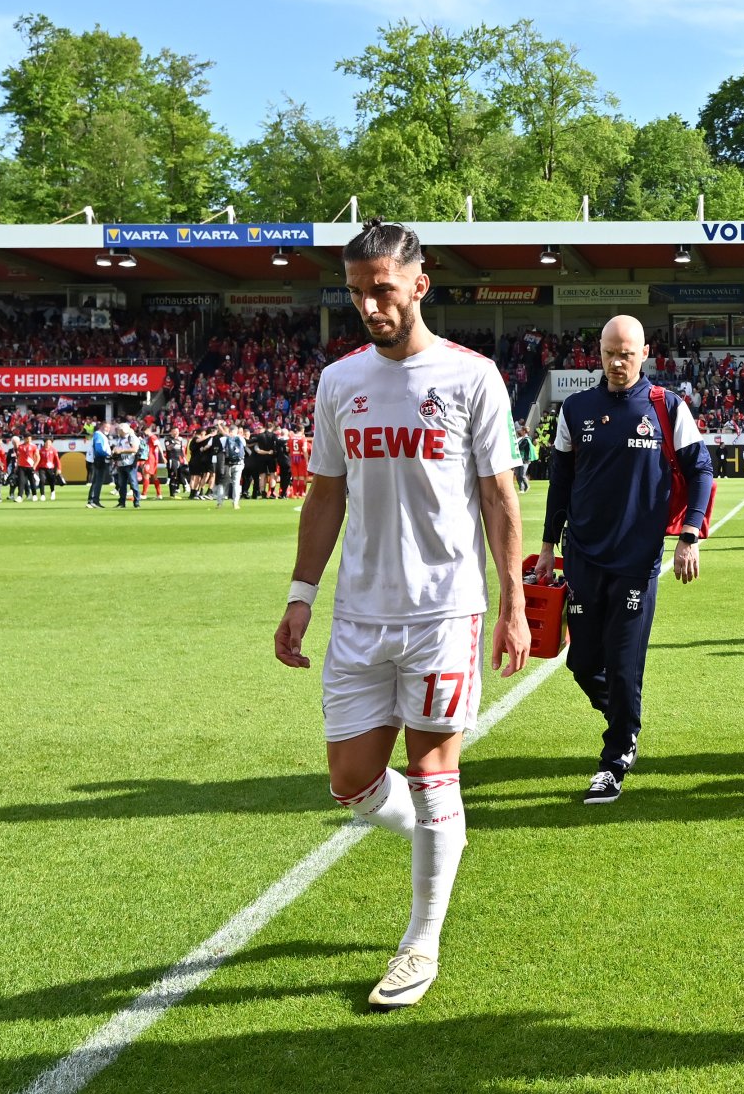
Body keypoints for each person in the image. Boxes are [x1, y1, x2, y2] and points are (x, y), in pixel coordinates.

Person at [275, 220, 529, 1011]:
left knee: (432, 773)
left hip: (443, 612)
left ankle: (421, 941)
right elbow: (325, 493)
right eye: (357, 292)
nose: (369, 305)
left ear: (419, 284)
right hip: (359, 614)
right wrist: (301, 595)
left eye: (381, 289)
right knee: (349, 781)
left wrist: (514, 603)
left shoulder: (472, 377)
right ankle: (439, 835)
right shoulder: (338, 382)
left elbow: (499, 497)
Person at [540, 315, 716, 803]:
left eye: (627, 354)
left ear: (644, 354)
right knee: (581, 662)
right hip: (582, 556)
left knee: (622, 664)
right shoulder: (576, 408)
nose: (617, 363)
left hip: (637, 560)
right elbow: (561, 481)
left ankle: (615, 758)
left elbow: (701, 470)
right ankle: (625, 718)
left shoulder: (666, 406)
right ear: (598, 353)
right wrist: (548, 544)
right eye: (609, 354)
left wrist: (689, 535)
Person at [111, 421, 143, 509]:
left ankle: (136, 502)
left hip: (130, 463)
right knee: (122, 484)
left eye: (119, 430)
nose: (118, 431)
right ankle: (122, 503)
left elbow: (134, 449)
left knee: (133, 483)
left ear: (123, 430)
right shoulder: (119, 439)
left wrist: (121, 451)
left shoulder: (132, 437)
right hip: (121, 463)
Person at [217, 421, 248, 508]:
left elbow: (222, 449)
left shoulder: (224, 439)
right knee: (236, 484)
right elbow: (244, 447)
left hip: (227, 464)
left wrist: (220, 427)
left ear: (229, 430)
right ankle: (235, 503)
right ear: (237, 431)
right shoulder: (241, 439)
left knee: (223, 483)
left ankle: (220, 502)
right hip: (239, 464)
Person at [86, 422, 109, 507]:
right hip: (100, 460)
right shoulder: (99, 435)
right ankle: (94, 500)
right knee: (98, 481)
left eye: (109, 428)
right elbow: (99, 450)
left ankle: (92, 500)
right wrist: (108, 455)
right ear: (101, 426)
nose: (108, 429)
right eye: (106, 427)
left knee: (96, 481)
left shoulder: (98, 435)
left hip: (98, 459)